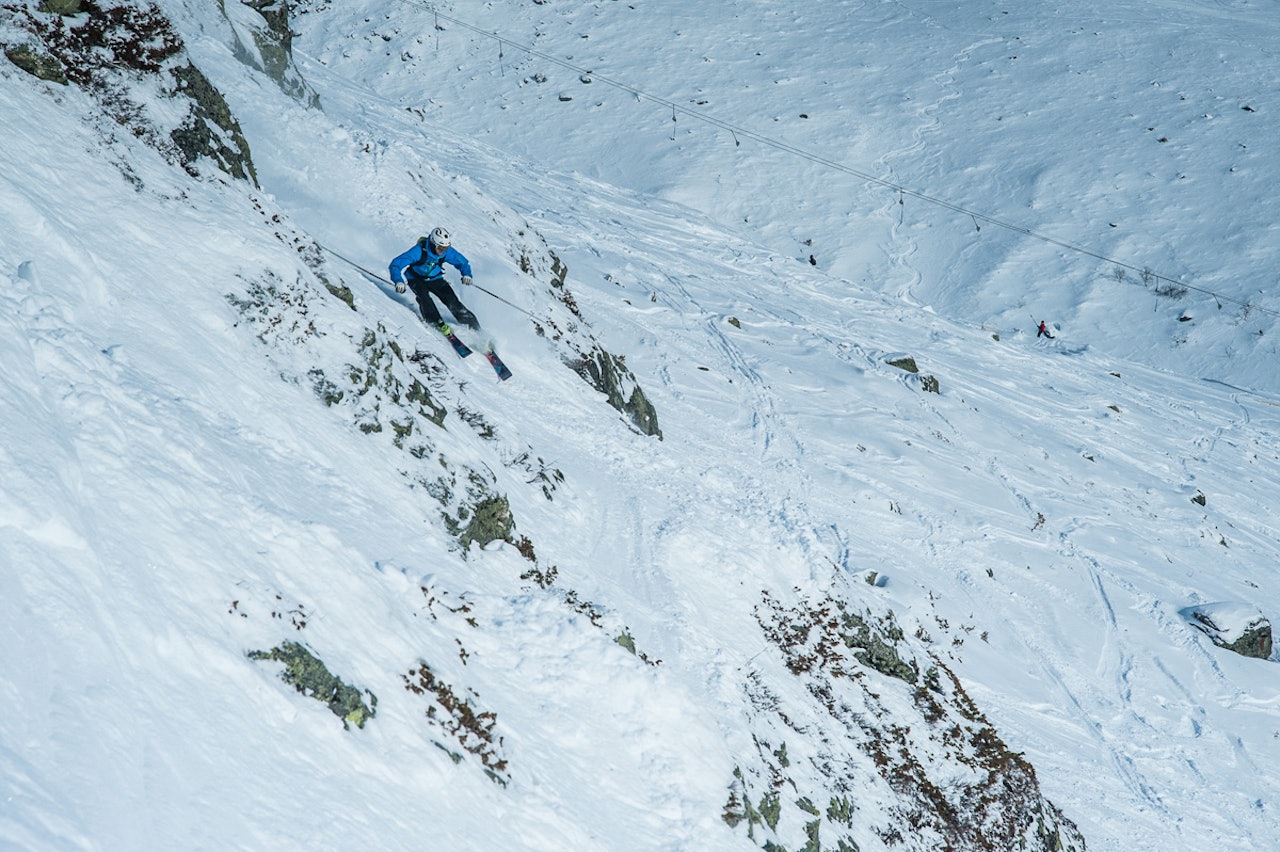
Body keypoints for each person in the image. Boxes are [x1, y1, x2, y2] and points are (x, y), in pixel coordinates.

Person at [388, 227, 479, 332]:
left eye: (446, 248)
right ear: (432, 243)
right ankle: (435, 321)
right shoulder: (418, 251)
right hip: (416, 279)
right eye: (440, 248)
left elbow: (462, 263)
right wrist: (398, 281)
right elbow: (395, 265)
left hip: (435, 278)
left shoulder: (446, 252)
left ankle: (474, 327)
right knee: (424, 298)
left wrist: (466, 274)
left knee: (452, 300)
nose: (442, 251)